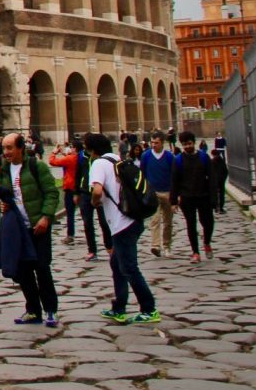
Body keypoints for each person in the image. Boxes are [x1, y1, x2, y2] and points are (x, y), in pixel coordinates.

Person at [86, 132, 158, 324]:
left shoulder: (98, 164)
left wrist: (95, 202)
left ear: (92, 150)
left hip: (121, 223)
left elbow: (97, 190)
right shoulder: (117, 159)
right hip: (133, 218)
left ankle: (149, 308)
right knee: (116, 264)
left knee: (129, 267)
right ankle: (119, 307)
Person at [0, 132, 60, 327]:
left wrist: (45, 217)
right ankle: (33, 310)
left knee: (42, 268)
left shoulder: (36, 166)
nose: (6, 152)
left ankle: (51, 310)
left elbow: (51, 192)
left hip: (38, 225)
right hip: (19, 228)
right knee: (23, 271)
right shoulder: (5, 169)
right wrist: (2, 204)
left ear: (20, 148)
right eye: (4, 148)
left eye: (9, 148)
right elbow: (5, 194)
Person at [170, 130, 215, 262]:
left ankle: (207, 242)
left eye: (189, 143)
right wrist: (173, 201)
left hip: (204, 195)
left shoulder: (204, 157)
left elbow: (212, 178)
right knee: (191, 224)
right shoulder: (178, 160)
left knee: (208, 222)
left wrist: (214, 198)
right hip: (187, 196)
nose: (187, 147)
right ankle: (195, 252)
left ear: (194, 143)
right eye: (184, 144)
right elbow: (174, 181)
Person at [139, 132, 176, 257]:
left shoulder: (169, 156)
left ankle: (167, 245)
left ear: (162, 143)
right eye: (152, 142)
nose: (154, 145)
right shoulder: (146, 156)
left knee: (168, 221)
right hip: (152, 192)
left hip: (167, 192)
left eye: (156, 143)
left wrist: (174, 194)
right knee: (155, 220)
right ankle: (155, 245)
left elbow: (174, 174)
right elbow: (142, 173)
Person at [47, 140, 80, 247]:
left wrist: (54, 152)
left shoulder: (70, 159)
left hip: (70, 188)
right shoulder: (79, 158)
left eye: (72, 147)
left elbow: (52, 161)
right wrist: (64, 154)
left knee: (70, 212)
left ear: (75, 148)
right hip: (79, 188)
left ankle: (70, 235)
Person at [210, 149, 229, 214]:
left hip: (215, 180)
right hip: (221, 180)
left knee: (215, 194)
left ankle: (215, 207)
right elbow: (226, 171)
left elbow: (210, 172)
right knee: (221, 194)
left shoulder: (212, 161)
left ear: (213, 154)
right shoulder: (222, 161)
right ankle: (221, 208)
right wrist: (223, 179)